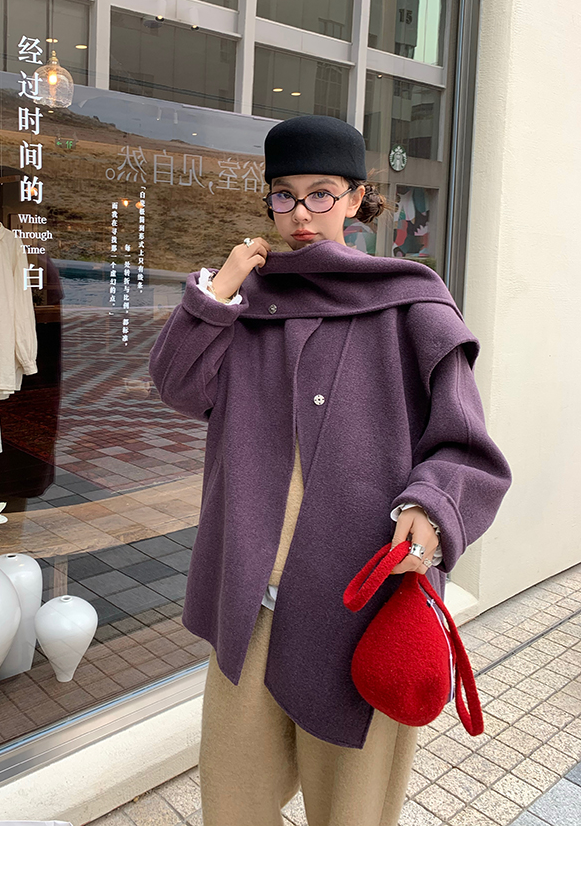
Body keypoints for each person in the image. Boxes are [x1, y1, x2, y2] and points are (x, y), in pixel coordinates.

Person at [148, 115, 512, 826]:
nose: (301, 213)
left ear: (355, 198)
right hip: (250, 612)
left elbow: (466, 446)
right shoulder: (246, 304)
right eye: (283, 195)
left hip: (357, 614)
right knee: (233, 817)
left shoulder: (411, 300)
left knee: (351, 827)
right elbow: (178, 385)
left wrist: (431, 505)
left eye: (321, 194)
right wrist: (217, 291)